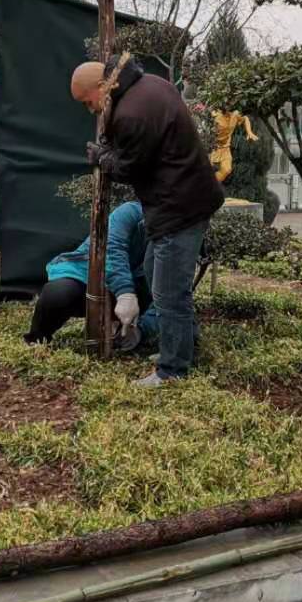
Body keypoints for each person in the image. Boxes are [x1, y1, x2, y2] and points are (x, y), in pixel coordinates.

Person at [71, 55, 224, 385]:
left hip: (178, 208)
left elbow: (129, 168)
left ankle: (172, 370)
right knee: (158, 273)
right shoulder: (150, 85)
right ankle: (183, 347)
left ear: (101, 86)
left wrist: (103, 158)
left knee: (169, 294)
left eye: (87, 101)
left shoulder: (131, 113)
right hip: (189, 198)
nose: (90, 109)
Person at [26, 200, 158, 350]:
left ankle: (121, 330)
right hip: (87, 277)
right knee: (59, 293)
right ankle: (37, 338)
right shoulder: (131, 212)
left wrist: (141, 329)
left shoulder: (176, 237)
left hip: (138, 295)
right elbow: (112, 248)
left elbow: (170, 298)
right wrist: (125, 293)